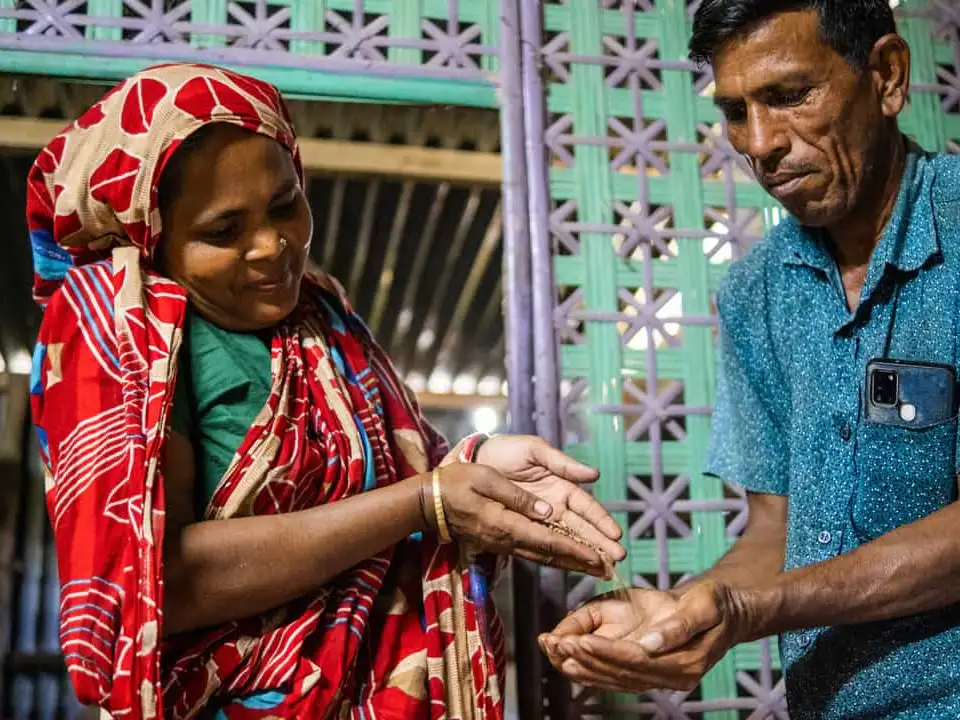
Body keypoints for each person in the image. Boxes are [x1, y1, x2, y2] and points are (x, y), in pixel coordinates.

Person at [27, 63, 626, 720]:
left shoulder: (323, 317)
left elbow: (395, 483)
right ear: (149, 230)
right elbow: (156, 585)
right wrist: (423, 503)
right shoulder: (118, 333)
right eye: (224, 231)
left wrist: (473, 468)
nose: (273, 246)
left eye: (285, 203)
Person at [540, 1, 960, 717]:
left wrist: (751, 609)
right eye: (736, 110)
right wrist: (681, 611)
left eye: (790, 95)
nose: (760, 143)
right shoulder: (755, 292)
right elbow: (775, 530)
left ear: (888, 77)